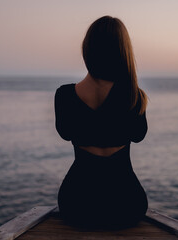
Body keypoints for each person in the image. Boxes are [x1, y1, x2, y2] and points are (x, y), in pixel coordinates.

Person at [54, 15, 148, 229]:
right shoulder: (135, 96)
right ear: (122, 51)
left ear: (88, 49)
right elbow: (138, 135)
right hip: (126, 205)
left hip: (76, 205)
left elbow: (65, 132)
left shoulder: (64, 96)